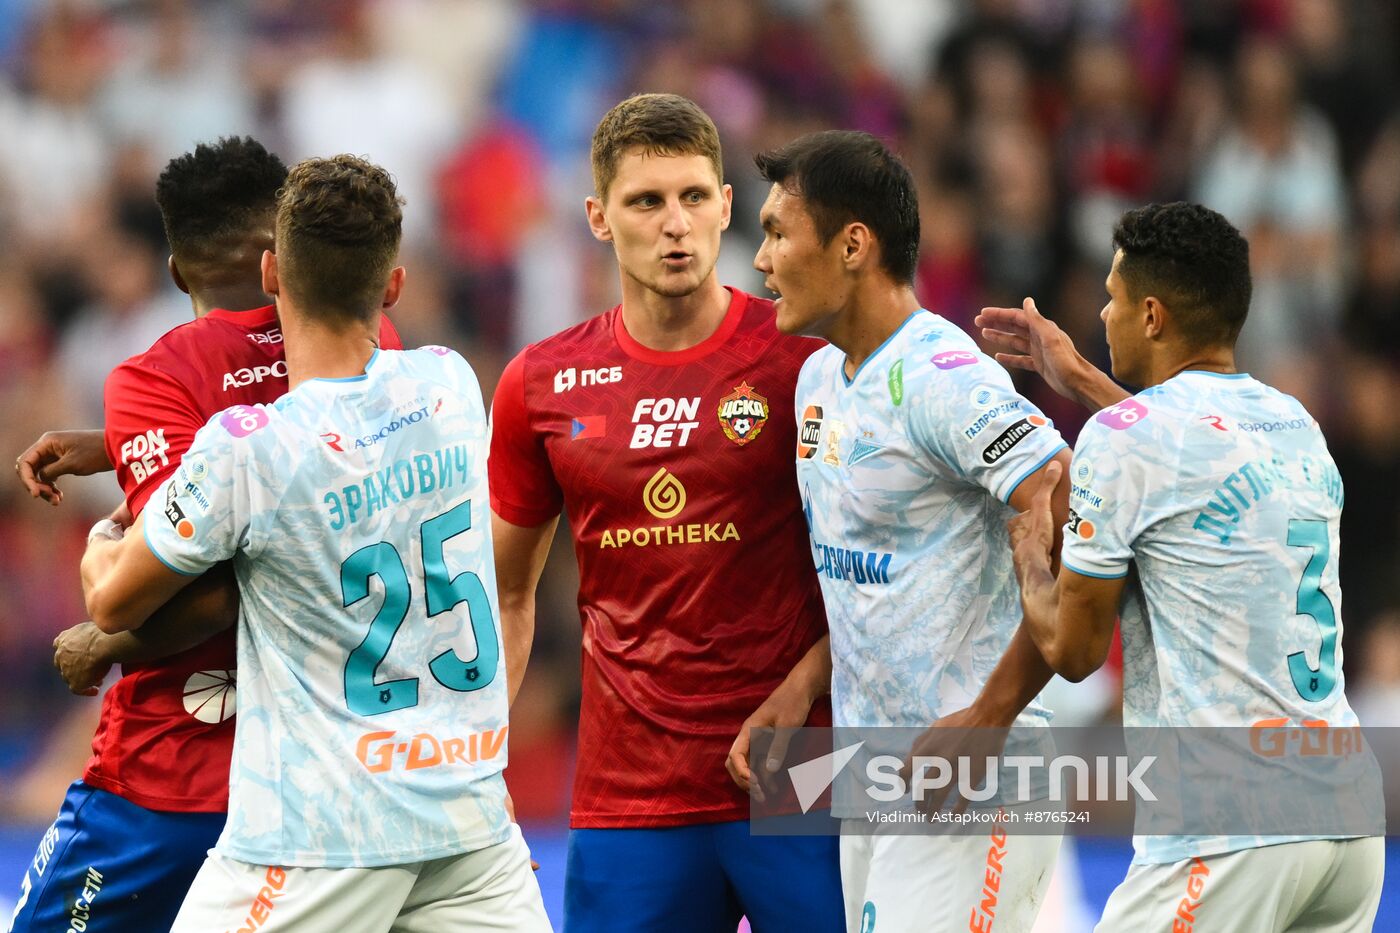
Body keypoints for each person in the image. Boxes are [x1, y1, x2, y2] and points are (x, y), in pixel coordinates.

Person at [79, 155, 551, 931]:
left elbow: (111, 599)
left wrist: (103, 538)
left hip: (323, 829)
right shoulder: (451, 385)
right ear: (393, 285)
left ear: (272, 272)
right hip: (466, 816)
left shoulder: (249, 448)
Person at [8, 137, 404, 933]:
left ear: (178, 273)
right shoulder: (374, 348)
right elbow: (275, 459)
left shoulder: (157, 377)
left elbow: (202, 587)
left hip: (172, 780)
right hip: (333, 779)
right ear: (280, 253)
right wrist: (123, 439)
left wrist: (106, 639)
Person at [488, 93, 843, 932]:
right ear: (599, 218)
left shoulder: (810, 365)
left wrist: (804, 688)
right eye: (646, 202)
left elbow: (882, 570)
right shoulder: (539, 384)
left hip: (802, 767)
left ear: (727, 206)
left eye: (692, 197)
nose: (675, 224)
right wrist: (478, 751)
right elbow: (507, 595)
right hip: (628, 788)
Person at [996, 202, 1384, 931]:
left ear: (1150, 315)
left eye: (1111, 300)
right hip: (1348, 821)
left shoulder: (1122, 439)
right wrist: (1078, 376)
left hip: (1228, 827)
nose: (1101, 316)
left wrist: (1028, 559)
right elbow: (1183, 457)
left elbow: (1076, 653)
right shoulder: (1294, 422)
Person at [752, 129, 1070, 933]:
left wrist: (992, 716)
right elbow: (879, 570)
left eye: (776, 232)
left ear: (853, 244)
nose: (760, 260)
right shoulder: (819, 379)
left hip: (977, 774)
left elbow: (1068, 496)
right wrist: (806, 679)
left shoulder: (940, 376)